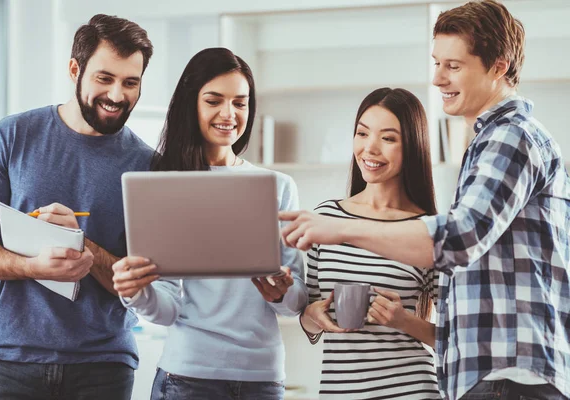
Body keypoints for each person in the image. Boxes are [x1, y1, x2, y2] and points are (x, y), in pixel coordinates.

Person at [280, 1, 570, 399]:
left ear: (499, 66)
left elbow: (460, 239)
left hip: (508, 376)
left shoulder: (509, 137)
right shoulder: (490, 142)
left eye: (453, 65)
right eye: (436, 63)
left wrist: (340, 229)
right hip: (497, 373)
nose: (437, 78)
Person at [0, 14, 154, 399]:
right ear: (75, 69)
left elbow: (143, 285)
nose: (117, 95)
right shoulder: (14, 135)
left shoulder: (148, 166)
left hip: (104, 366)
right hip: (10, 361)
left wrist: (79, 243)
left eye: (130, 82)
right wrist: (29, 267)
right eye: (104, 78)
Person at [111, 47, 308, 400]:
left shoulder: (278, 187)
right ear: (192, 105)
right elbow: (167, 308)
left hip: (262, 378)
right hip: (188, 375)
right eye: (214, 100)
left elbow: (294, 303)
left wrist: (283, 292)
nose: (229, 114)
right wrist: (135, 292)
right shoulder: (165, 186)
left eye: (240, 102)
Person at [299, 88, 441, 399]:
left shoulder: (427, 230)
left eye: (388, 138)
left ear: (412, 147)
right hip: (340, 392)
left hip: (412, 391)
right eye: (362, 133)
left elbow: (457, 339)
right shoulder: (327, 217)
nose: (369, 148)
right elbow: (309, 319)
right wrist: (313, 318)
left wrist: (403, 321)